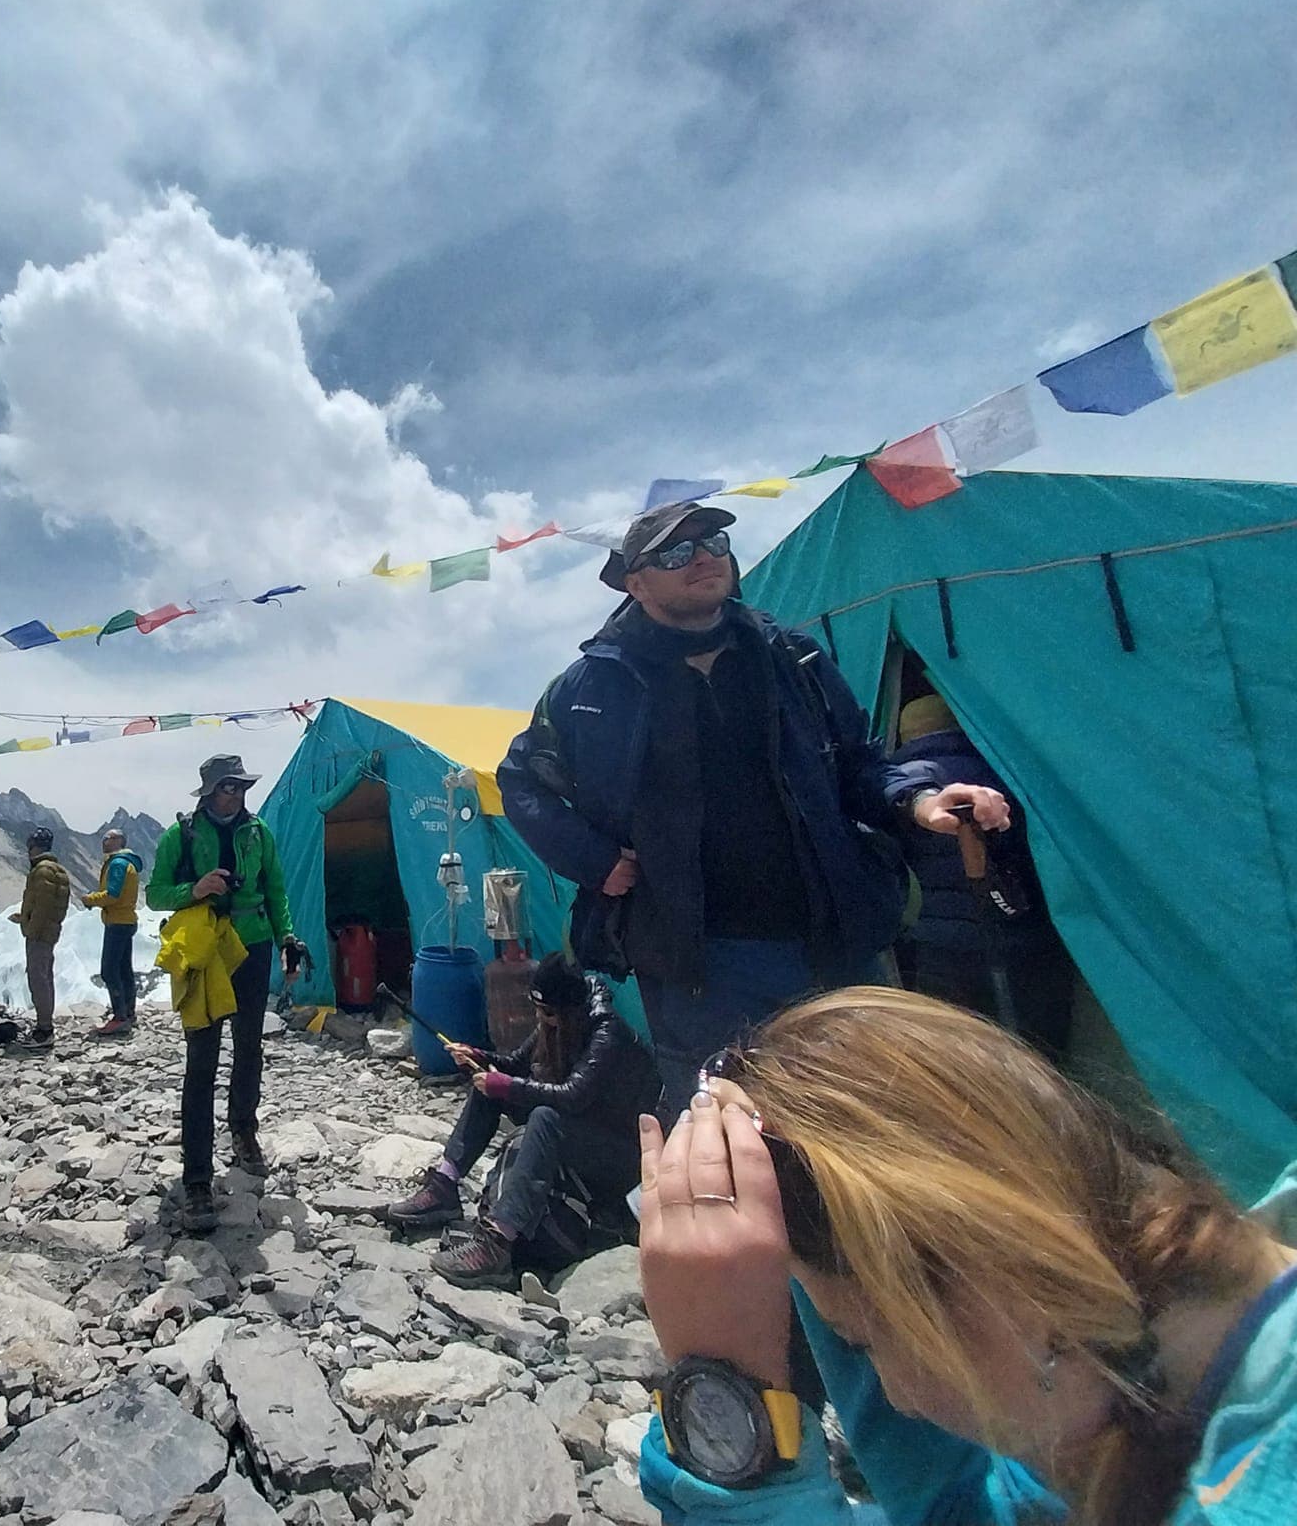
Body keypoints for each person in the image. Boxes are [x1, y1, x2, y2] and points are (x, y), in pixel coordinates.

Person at [634, 987, 1297, 1526]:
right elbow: (961, 1509)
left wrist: (737, 1439)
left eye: (864, 1344)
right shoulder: (1153, 1380)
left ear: (1009, 1282)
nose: (896, 1398)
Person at [497, 499, 1013, 1109]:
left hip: (835, 934)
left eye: (713, 541)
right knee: (730, 1124)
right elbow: (520, 780)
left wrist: (919, 799)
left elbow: (858, 764)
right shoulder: (589, 688)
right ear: (634, 583)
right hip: (700, 961)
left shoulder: (792, 657)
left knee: (873, 1110)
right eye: (674, 553)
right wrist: (594, 859)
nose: (703, 559)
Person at [387, 954, 659, 1288]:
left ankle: (498, 1241)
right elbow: (515, 1064)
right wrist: (479, 1058)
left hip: (620, 1157)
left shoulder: (607, 1034)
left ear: (566, 1009)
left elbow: (573, 1095)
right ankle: (444, 1185)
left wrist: (507, 1085)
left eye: (546, 1013)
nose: (540, 1019)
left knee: (544, 1116)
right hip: (580, 1131)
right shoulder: (558, 1019)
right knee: (489, 1087)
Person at [147, 754, 300, 1232]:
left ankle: (243, 1131)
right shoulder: (181, 836)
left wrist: (287, 940)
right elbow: (154, 894)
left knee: (249, 1047)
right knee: (202, 1059)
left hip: (250, 948)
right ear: (208, 792)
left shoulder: (259, 833)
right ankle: (197, 1178)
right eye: (225, 787)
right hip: (207, 952)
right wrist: (194, 890)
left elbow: (276, 890)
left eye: (239, 786)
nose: (233, 795)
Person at [891, 692, 1077, 1061]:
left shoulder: (897, 793)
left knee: (966, 1055)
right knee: (1035, 1048)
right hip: (1016, 933)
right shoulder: (1001, 771)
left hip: (934, 945)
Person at [10, 826, 72, 1052]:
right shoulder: (58, 870)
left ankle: (44, 1030)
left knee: (38, 979)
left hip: (39, 934)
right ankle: (45, 1025)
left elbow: (41, 905)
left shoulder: (41, 871)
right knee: (46, 976)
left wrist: (29, 926)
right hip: (51, 931)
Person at [84, 827, 144, 1038]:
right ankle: (128, 1011)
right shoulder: (128, 863)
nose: (103, 842)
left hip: (117, 921)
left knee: (109, 970)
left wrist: (91, 899)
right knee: (124, 968)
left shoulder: (117, 864)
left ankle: (119, 1018)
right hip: (127, 920)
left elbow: (113, 894)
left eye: (107, 838)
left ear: (119, 841)